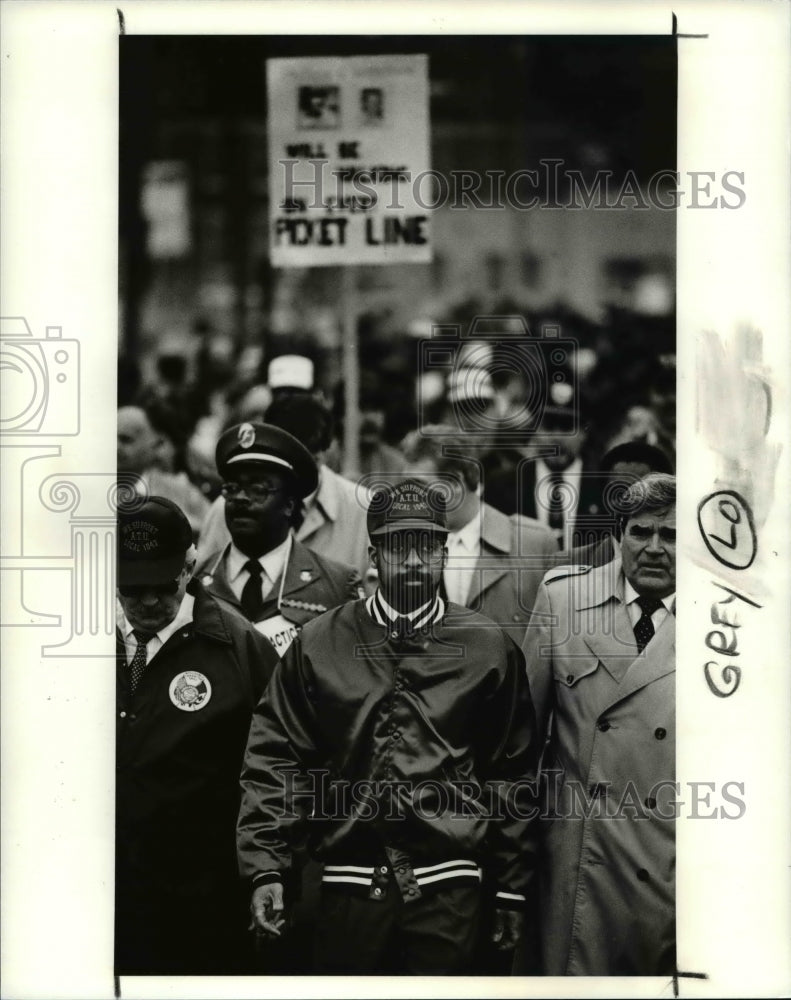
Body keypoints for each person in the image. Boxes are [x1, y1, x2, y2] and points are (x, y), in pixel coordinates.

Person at [237, 478, 541, 975]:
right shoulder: (319, 643)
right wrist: (265, 866)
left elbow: (512, 773)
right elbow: (275, 757)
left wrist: (510, 886)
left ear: (444, 552)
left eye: (427, 546)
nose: (416, 561)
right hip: (347, 888)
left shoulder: (488, 648)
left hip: (449, 893)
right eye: (400, 547)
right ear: (375, 554)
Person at [115, 495, 279, 975]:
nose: (148, 602)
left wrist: (265, 871)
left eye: (164, 586)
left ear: (189, 566)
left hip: (203, 901)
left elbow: (278, 762)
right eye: (132, 586)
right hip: (103, 893)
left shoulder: (238, 645)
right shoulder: (80, 643)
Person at [521, 473, 676, 975]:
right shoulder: (563, 600)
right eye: (641, 532)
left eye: (671, 536)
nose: (654, 548)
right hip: (579, 863)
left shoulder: (729, 621)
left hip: (673, 866)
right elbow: (519, 744)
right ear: (618, 536)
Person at [196, 421, 362, 658]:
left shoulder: (337, 586)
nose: (241, 498)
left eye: (258, 489)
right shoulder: (195, 584)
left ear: (289, 504)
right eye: (232, 488)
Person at [400, 427, 557, 645]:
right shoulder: (400, 547)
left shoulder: (532, 543)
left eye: (419, 486)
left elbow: (557, 641)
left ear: (454, 484)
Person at [197, 394, 371, 580]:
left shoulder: (365, 508)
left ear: (324, 453)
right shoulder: (228, 507)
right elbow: (202, 586)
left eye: (309, 457)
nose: (296, 471)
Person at [550, 440, 674, 567]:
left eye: (639, 494)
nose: (627, 503)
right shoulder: (568, 564)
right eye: (618, 494)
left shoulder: (684, 567)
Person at [117, 403, 210, 536]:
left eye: (126, 440)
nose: (115, 447)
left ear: (152, 445)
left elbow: (212, 528)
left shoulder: (180, 489)